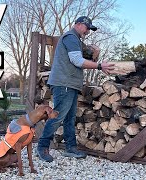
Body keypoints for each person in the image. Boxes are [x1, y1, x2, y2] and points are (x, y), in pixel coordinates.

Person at [37, 16, 115, 162]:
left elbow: (87, 61)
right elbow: (78, 61)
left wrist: (96, 57)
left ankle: (70, 148)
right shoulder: (70, 37)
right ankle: (42, 147)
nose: (88, 32)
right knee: (58, 116)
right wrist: (99, 66)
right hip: (63, 83)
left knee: (70, 118)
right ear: (78, 24)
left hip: (71, 84)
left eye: (89, 29)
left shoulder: (77, 41)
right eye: (86, 28)